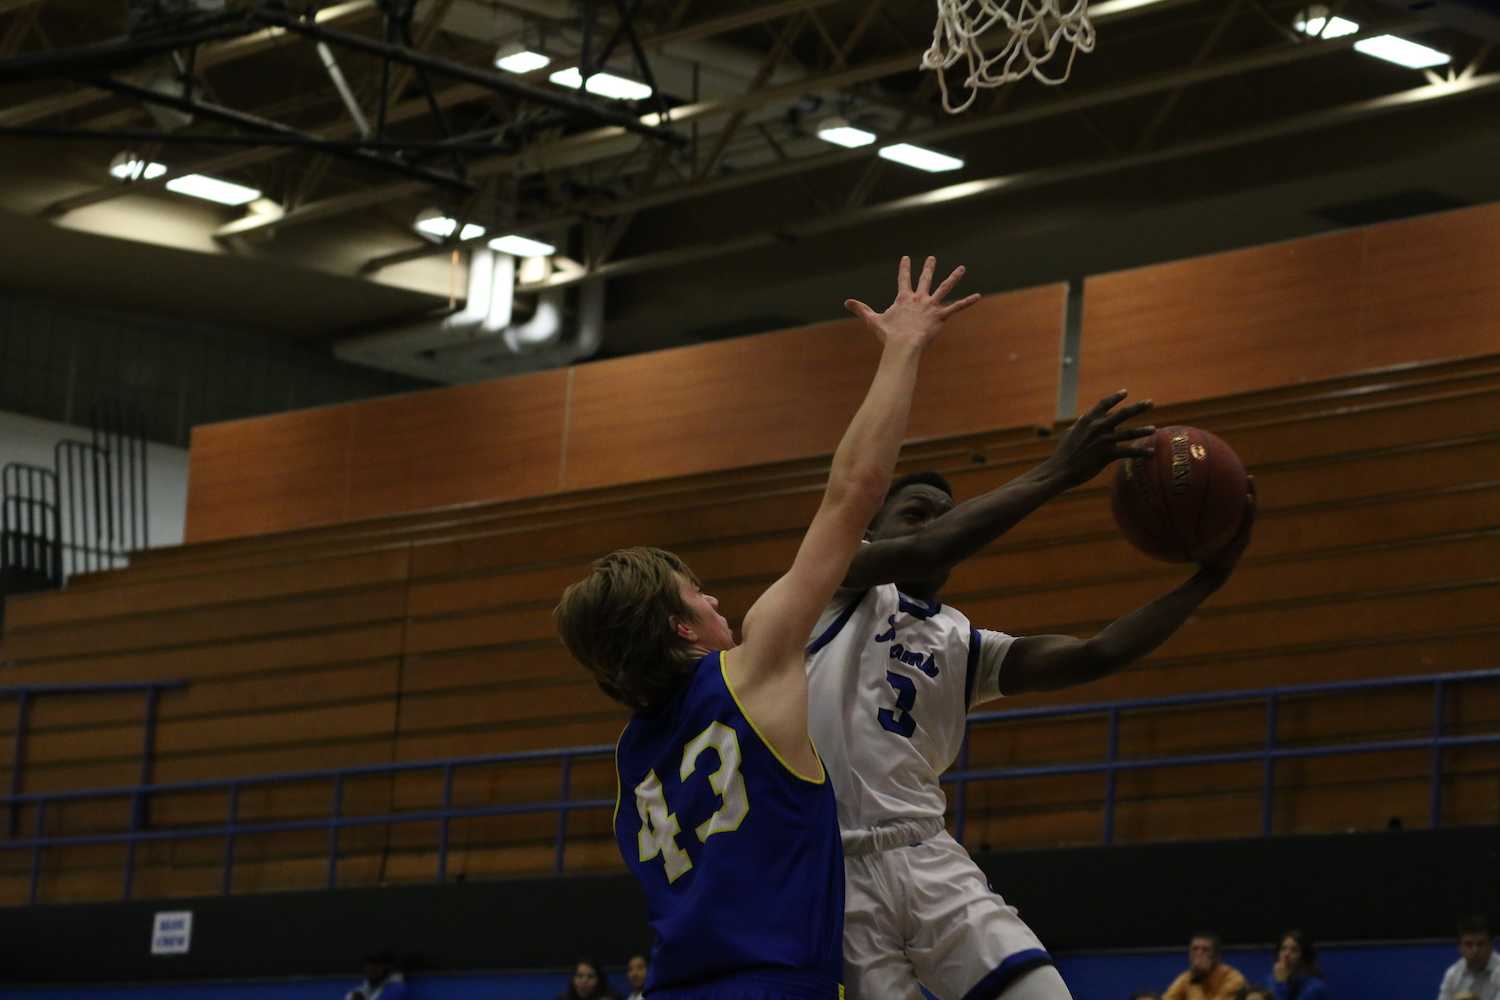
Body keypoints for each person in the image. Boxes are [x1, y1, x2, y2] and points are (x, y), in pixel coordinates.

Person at [556, 256, 979, 1000]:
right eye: (700, 597)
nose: (719, 602)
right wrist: (902, 346)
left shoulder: (628, 768)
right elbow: (853, 497)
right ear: (678, 630)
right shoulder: (749, 671)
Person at [804, 397, 1255, 1000]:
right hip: (834, 871)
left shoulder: (963, 643)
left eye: (946, 515)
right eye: (917, 513)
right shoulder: (831, 584)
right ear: (870, 533)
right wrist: (1059, 470)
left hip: (928, 854)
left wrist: (1207, 581)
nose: (937, 525)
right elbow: (929, 548)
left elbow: (1097, 653)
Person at [1164, 933, 1247, 1000]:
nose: (1199, 954)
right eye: (1195, 949)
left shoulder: (1233, 978)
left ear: (1217, 956)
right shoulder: (1185, 978)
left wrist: (1196, 979)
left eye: (1205, 950)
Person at [1438, 916, 1500, 1000]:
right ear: (1460, 947)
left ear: (1491, 946)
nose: (1475, 950)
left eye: (1480, 944)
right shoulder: (1453, 974)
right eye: (1469, 944)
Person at [1272, 930, 1328, 1000]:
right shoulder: (1269, 981)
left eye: (1294, 950)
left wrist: (1280, 984)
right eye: (1283, 948)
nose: (1286, 954)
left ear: (1304, 956)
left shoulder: (1315, 987)